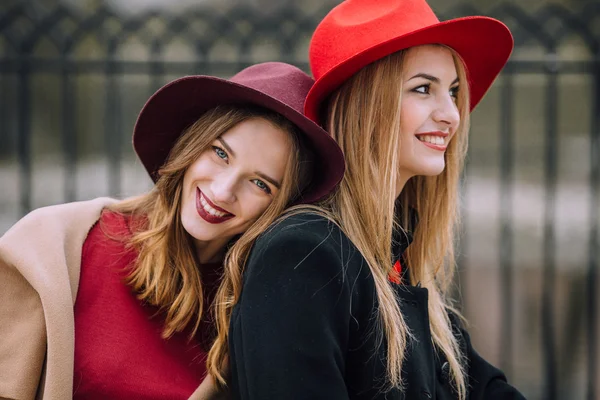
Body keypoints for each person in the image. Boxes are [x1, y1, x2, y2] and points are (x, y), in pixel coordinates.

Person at [220, 1, 527, 399]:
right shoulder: (305, 254)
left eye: (452, 92)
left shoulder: (393, 256)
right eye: (423, 89)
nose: (452, 114)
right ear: (366, 104)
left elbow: (483, 387)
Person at [0, 62, 344, 400]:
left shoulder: (265, 303)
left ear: (282, 207)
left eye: (259, 183)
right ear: (192, 146)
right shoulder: (58, 247)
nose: (223, 191)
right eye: (221, 153)